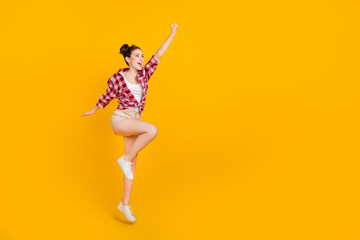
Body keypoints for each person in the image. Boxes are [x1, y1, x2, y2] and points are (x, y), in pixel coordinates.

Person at [82, 23, 178, 222]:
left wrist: (172, 34)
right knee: (152, 130)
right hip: (121, 119)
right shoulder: (118, 78)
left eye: (142, 56)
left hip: (135, 120)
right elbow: (107, 96)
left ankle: (124, 204)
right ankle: (124, 160)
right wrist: (93, 110)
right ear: (128, 59)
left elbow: (158, 55)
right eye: (137, 56)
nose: (141, 59)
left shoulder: (144, 76)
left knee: (131, 168)